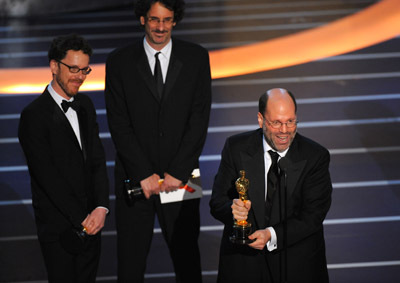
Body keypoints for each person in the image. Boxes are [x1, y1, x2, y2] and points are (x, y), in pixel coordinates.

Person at [104, 0, 212, 282]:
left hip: (181, 177)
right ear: (142, 19)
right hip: (134, 180)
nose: (160, 27)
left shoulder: (197, 58)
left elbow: (199, 121)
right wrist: (143, 174)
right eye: (154, 19)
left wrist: (178, 172)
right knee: (130, 263)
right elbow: (118, 122)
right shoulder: (119, 62)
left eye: (166, 20)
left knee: (187, 260)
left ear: (175, 19)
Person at [210, 88, 332, 283]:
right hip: (243, 265)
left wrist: (271, 235)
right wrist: (233, 211)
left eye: (290, 121)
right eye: (276, 122)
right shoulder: (236, 147)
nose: (284, 130)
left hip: (295, 265)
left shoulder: (315, 157)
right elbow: (217, 203)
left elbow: (313, 215)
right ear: (261, 119)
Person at [18, 34, 109, 283]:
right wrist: (83, 219)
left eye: (84, 70)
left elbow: (98, 161)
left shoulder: (86, 105)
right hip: (60, 229)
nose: (79, 76)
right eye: (73, 69)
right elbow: (46, 176)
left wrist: (101, 207)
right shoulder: (33, 116)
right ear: (54, 66)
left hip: (93, 224)